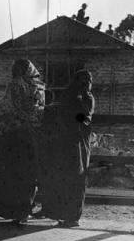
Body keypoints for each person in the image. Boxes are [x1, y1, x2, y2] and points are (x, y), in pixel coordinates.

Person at [0, 59, 45, 224]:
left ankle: (14, 211)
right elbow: (38, 108)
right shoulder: (38, 87)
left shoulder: (14, 84)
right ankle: (25, 210)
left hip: (12, 136)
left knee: (12, 173)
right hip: (29, 135)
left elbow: (4, 108)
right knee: (28, 173)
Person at [40, 69, 95, 227]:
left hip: (79, 141)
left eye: (88, 81)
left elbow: (83, 118)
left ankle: (73, 217)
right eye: (83, 80)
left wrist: (76, 107)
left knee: (77, 177)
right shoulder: (69, 95)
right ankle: (63, 214)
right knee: (64, 177)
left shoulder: (87, 98)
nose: (86, 84)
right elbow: (61, 114)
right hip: (65, 141)